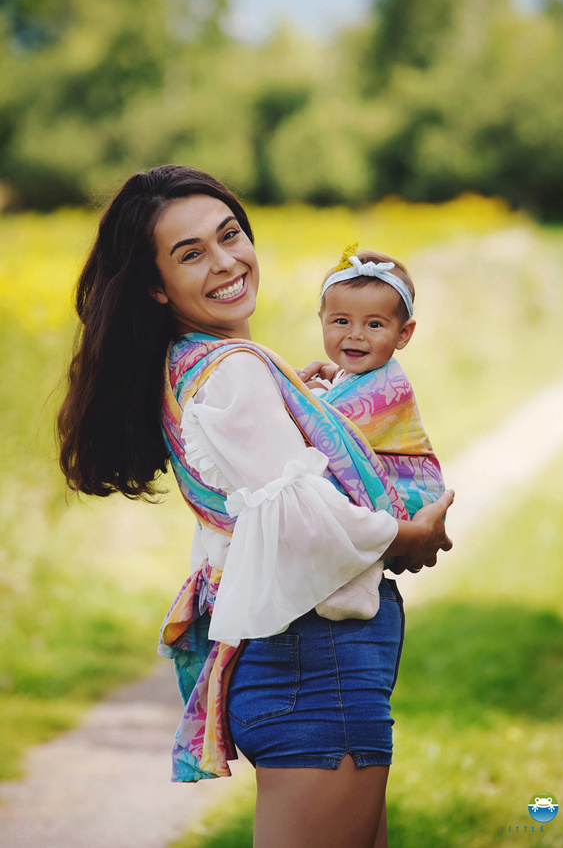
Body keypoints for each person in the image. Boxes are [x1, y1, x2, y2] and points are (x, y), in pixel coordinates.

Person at [57, 165, 454, 848]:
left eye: (230, 234)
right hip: (316, 662)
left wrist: (292, 398)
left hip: (304, 663)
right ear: (156, 285)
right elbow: (298, 518)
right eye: (191, 253)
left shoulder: (193, 363)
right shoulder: (233, 371)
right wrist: (405, 538)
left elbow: (246, 504)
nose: (225, 261)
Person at [302, 246, 445, 623]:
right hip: (389, 485)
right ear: (322, 320)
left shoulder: (386, 388)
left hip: (408, 490)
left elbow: (322, 428)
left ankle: (355, 588)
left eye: (375, 325)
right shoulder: (357, 375)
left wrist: (301, 395)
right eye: (341, 321)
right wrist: (329, 381)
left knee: (325, 491)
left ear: (403, 333)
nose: (356, 335)